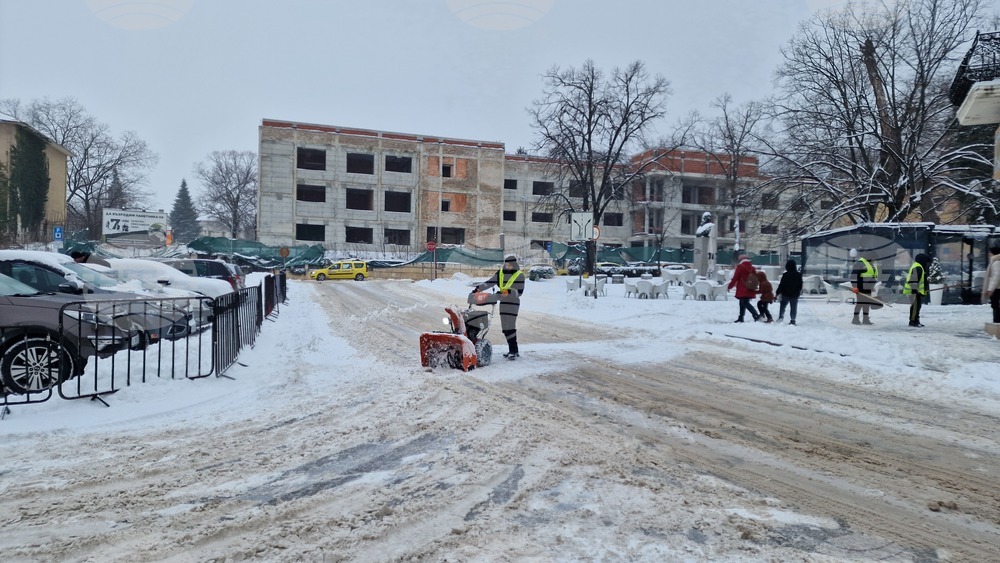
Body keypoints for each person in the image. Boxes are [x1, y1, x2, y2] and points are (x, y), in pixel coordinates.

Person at [474, 254, 526, 359]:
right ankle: (513, 350)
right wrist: (478, 289)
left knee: (510, 326)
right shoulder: (501, 273)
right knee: (505, 328)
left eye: (510, 265)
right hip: (503, 302)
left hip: (513, 303)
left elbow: (519, 292)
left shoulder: (519, 275)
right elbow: (490, 282)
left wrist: (507, 292)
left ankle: (513, 351)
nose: (507, 267)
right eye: (506, 265)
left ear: (514, 265)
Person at [850, 249, 880, 325]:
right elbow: (853, 277)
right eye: (874, 258)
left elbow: (872, 276)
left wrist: (872, 286)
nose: (875, 260)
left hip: (868, 288)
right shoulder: (860, 263)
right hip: (860, 288)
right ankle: (855, 319)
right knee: (860, 303)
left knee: (867, 303)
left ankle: (865, 319)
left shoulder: (871, 264)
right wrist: (855, 287)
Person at [727, 254, 759, 323]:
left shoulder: (740, 267)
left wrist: (730, 286)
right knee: (743, 303)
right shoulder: (752, 268)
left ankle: (756, 315)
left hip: (742, 288)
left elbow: (735, 278)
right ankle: (741, 317)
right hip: (750, 288)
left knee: (745, 303)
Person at [903, 253, 931, 327]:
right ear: (923, 261)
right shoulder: (918, 268)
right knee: (915, 306)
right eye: (927, 262)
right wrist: (914, 290)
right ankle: (913, 321)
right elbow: (913, 280)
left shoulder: (919, 267)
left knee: (917, 306)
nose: (928, 264)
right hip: (913, 291)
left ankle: (916, 320)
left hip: (916, 291)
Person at [775, 258, 803, 325]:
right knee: (793, 307)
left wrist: (777, 293)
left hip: (785, 294)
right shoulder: (798, 275)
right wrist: (798, 291)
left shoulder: (785, 275)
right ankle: (793, 320)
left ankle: (781, 317)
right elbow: (800, 285)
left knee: (783, 305)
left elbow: (781, 285)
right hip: (795, 294)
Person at [982, 246, 1000, 324]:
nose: (988, 254)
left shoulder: (996, 262)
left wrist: (990, 289)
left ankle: (996, 323)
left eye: (990, 252)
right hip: (997, 288)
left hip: (997, 288)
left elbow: (996, 276)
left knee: (995, 305)